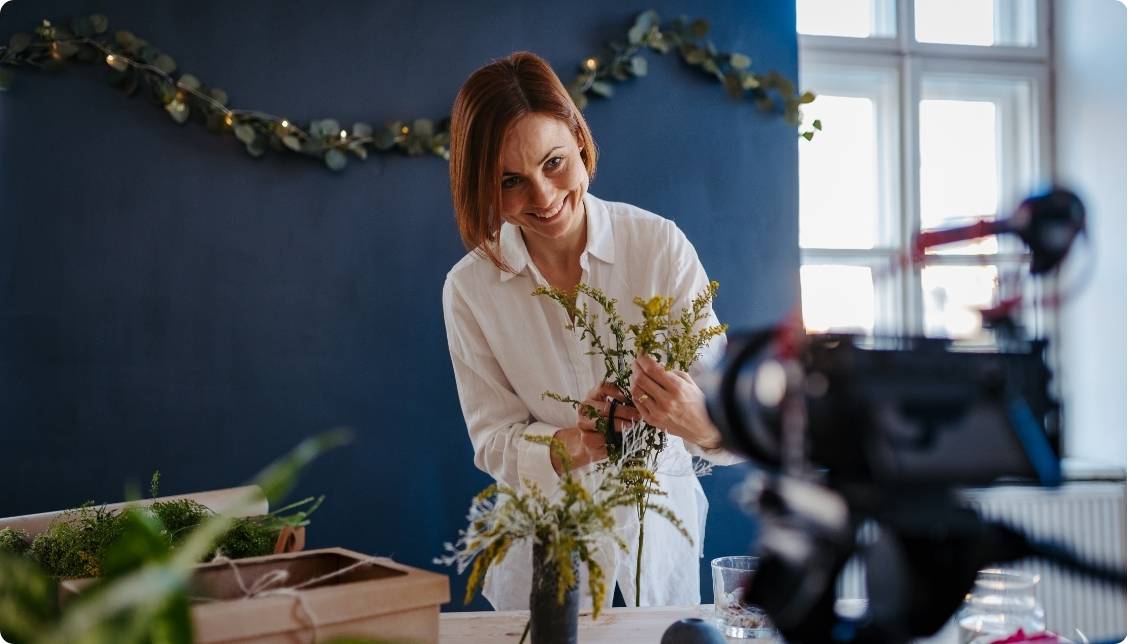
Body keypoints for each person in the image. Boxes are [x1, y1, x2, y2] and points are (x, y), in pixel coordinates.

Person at [442, 51, 740, 610]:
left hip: (659, 548)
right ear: (483, 186)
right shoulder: (469, 290)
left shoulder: (657, 246)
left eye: (554, 163)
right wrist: (578, 443)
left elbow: (732, 423)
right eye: (511, 181)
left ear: (580, 141)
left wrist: (694, 419)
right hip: (542, 553)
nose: (544, 197)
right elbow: (492, 442)